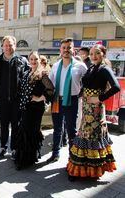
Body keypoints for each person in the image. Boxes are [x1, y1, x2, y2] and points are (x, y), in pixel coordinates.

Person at [67, 44, 120, 181]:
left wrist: (99, 98)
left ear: (103, 54)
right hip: (86, 107)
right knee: (84, 134)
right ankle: (81, 167)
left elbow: (116, 87)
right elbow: (86, 84)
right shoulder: (91, 68)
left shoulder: (104, 69)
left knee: (91, 136)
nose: (93, 56)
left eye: (97, 53)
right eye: (91, 54)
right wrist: (80, 94)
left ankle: (90, 169)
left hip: (95, 109)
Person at [0, 35, 29, 159]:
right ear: (2, 47)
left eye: (10, 45)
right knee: (4, 124)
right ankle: (3, 147)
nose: (8, 47)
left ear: (15, 46)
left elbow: (28, 80)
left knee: (16, 125)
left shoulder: (22, 61)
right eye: (6, 45)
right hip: (1, 100)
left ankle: (14, 148)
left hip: (17, 100)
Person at [47, 38, 87, 163]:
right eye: (64, 48)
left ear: (73, 50)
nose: (66, 50)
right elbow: (50, 84)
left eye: (68, 47)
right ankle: (55, 153)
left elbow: (88, 81)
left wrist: (82, 92)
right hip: (57, 100)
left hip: (72, 100)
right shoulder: (55, 66)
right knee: (57, 129)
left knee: (71, 131)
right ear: (60, 50)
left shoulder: (80, 66)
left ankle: (72, 158)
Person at [15, 51, 54, 169]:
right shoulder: (27, 72)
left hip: (35, 108)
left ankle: (26, 159)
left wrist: (39, 98)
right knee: (25, 131)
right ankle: (27, 157)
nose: (33, 61)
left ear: (39, 60)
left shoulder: (42, 74)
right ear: (28, 60)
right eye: (31, 59)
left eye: (35, 59)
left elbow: (51, 90)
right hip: (25, 107)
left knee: (30, 131)